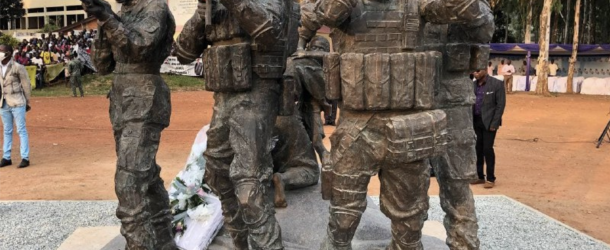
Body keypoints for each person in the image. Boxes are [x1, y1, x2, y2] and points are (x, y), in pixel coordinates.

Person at [298, 0, 493, 248]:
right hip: (377, 110)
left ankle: (460, 243)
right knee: (347, 209)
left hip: (440, 100)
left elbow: (482, 23)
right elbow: (311, 17)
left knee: (453, 188)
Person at [174, 0, 298, 248]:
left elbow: (271, 35)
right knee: (217, 174)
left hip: (257, 93)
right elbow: (184, 54)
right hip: (223, 97)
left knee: (248, 185)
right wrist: (200, 17)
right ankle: (241, 241)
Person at [83, 0, 177, 249]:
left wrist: (108, 18)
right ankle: (164, 240)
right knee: (145, 174)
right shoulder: (123, 12)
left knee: (129, 181)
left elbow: (139, 48)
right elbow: (101, 64)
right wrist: (104, 20)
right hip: (121, 99)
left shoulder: (154, 7)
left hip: (145, 96)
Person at [471, 68, 506, 189]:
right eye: (474, 71)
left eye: (477, 71)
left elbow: (500, 105)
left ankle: (490, 179)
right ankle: (479, 176)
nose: (475, 73)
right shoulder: (473, 85)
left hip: (489, 122)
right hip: (475, 122)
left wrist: (494, 123)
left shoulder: (496, 84)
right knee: (477, 149)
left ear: (485, 70)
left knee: (487, 149)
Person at [0, 44, 31, 168]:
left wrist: (27, 102)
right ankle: (6, 157)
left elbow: (26, 85)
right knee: (7, 130)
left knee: (21, 130)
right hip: (3, 102)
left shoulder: (18, 67)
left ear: (8, 53)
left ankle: (25, 157)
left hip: (18, 101)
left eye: (1, 50)